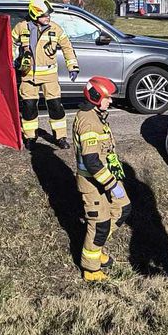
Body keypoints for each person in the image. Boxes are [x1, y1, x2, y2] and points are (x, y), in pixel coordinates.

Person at [72, 76, 130, 282]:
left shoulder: (97, 114)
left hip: (106, 178)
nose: (111, 101)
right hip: (93, 184)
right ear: (96, 97)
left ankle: (97, 245)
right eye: (108, 97)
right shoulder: (88, 121)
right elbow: (91, 161)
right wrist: (111, 184)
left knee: (123, 208)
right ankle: (91, 269)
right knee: (99, 225)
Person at [12, 0, 79, 150]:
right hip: (28, 76)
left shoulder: (55, 29)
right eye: (44, 15)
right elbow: (10, 42)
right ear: (34, 15)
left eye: (48, 15)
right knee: (29, 108)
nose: (47, 18)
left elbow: (68, 48)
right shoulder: (22, 28)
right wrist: (14, 58)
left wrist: (73, 67)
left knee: (55, 106)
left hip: (50, 77)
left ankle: (60, 137)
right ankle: (30, 137)